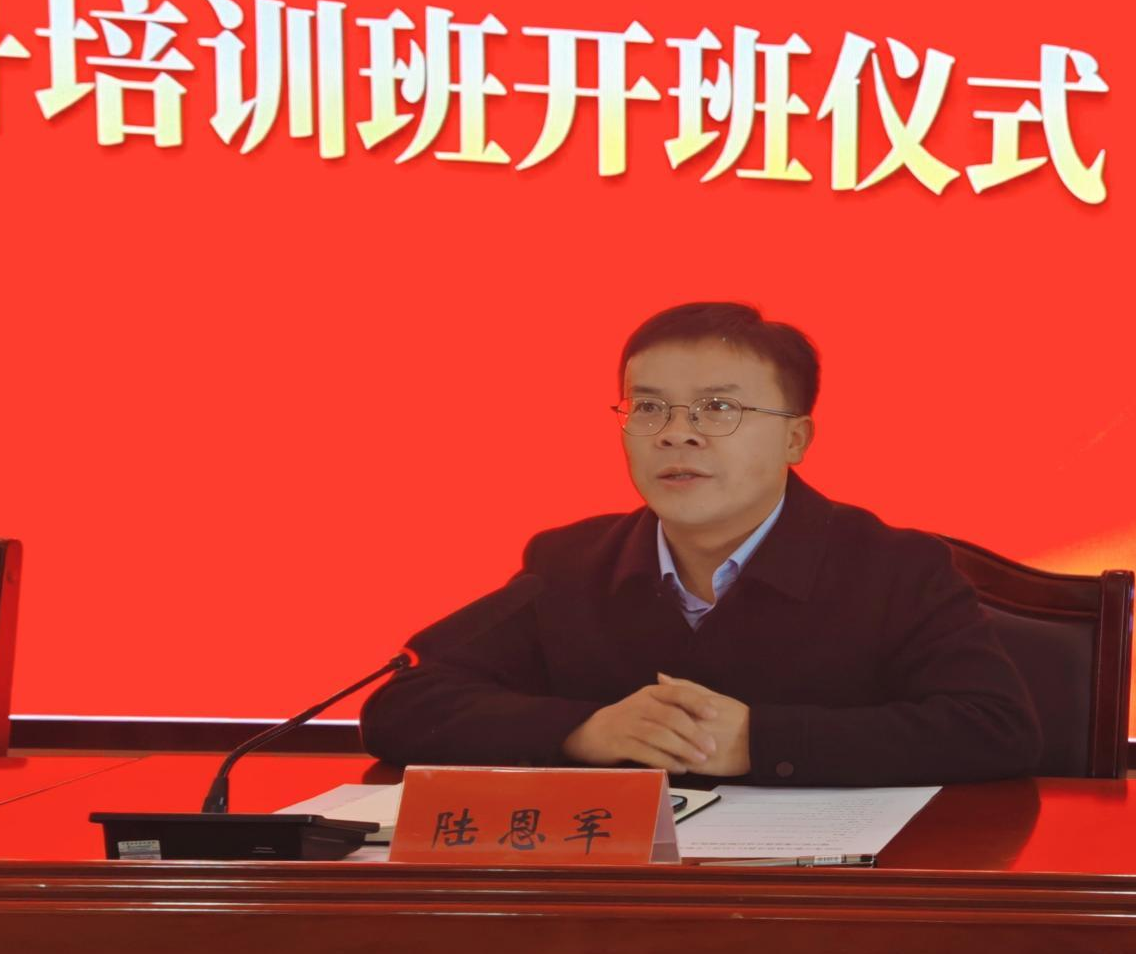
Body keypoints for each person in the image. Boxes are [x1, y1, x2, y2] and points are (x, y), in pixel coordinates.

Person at [360, 302, 1041, 785]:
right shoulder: (568, 565)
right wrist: (585, 731)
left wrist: (760, 742)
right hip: (616, 903)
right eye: (648, 406)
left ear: (796, 438)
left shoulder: (896, 568)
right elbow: (404, 705)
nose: (675, 432)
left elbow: (995, 728)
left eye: (719, 408)